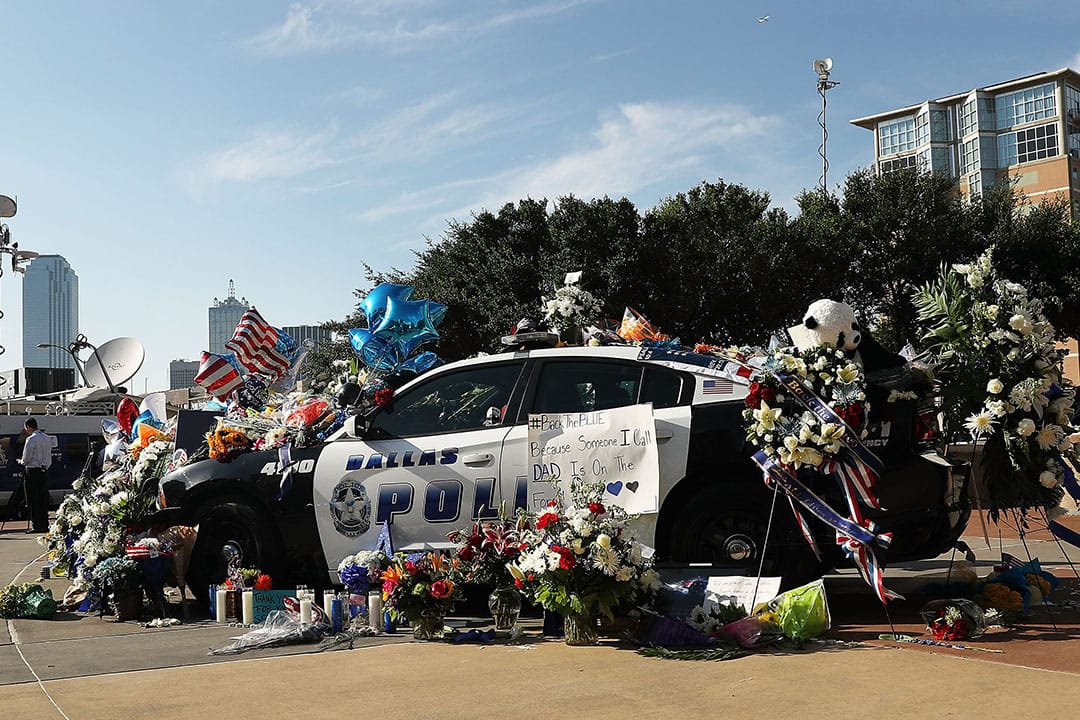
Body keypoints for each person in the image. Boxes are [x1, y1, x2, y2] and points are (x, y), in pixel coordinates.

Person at [19, 418, 52, 533]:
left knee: (33, 499)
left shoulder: (31, 439)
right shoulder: (47, 438)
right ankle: (44, 524)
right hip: (44, 471)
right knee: (43, 499)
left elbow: (26, 458)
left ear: (28, 427)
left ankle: (36, 525)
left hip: (33, 471)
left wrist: (21, 462)